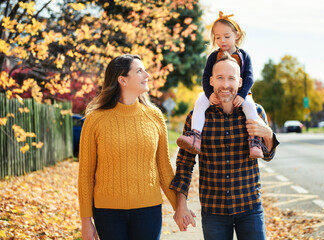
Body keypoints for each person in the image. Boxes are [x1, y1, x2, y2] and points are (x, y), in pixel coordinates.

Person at [170, 52, 279, 240]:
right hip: (214, 211)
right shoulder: (197, 117)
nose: (226, 84)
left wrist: (268, 133)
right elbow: (184, 163)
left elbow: (268, 155)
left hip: (250, 208)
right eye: (220, 78)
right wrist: (181, 205)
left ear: (240, 82)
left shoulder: (255, 112)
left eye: (231, 78)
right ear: (211, 81)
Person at [78, 54, 178, 240]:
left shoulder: (154, 116)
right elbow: (85, 174)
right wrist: (86, 221)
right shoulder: (95, 119)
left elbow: (164, 168)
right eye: (139, 71)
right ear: (122, 79)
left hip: (149, 210)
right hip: (107, 213)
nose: (147, 75)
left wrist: (179, 207)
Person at [176, 11, 263, 158]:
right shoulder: (213, 57)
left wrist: (242, 95)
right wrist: (209, 95)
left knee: (250, 106)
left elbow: (249, 77)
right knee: (199, 103)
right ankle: (195, 137)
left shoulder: (243, 56)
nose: (222, 40)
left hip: (240, 93)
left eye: (227, 36)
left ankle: (255, 141)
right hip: (216, 92)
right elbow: (206, 78)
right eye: (218, 37)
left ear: (236, 35)